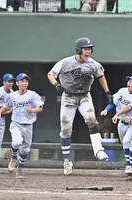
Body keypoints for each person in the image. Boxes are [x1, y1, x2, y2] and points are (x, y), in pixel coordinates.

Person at [47, 37, 112, 175]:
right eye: (85, 49)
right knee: (66, 129)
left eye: (89, 49)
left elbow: (101, 76)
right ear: (78, 50)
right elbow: (51, 74)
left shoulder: (94, 64)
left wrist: (107, 93)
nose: (88, 51)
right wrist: (56, 84)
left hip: (84, 95)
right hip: (68, 96)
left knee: (91, 120)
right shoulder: (65, 62)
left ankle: (98, 149)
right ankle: (66, 161)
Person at [0, 73, 44, 179]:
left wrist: (32, 110)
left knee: (25, 150)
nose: (24, 83)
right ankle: (14, 158)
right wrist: (0, 112)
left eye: (26, 81)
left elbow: (40, 107)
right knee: (16, 142)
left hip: (28, 125)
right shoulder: (12, 96)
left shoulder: (32, 94)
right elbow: (5, 106)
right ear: (17, 83)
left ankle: (20, 169)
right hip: (16, 124)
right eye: (22, 81)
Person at [100, 75, 132, 174]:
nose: (129, 83)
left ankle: (130, 166)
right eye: (128, 81)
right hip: (121, 122)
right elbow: (113, 103)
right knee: (125, 145)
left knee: (128, 142)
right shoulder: (122, 91)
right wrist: (106, 109)